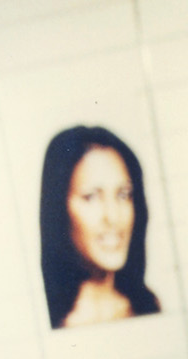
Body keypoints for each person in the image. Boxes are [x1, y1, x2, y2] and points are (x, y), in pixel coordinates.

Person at [39, 125, 160, 329]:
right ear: (58, 208)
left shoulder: (149, 306)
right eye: (91, 197)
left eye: (123, 195)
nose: (113, 217)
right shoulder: (52, 321)